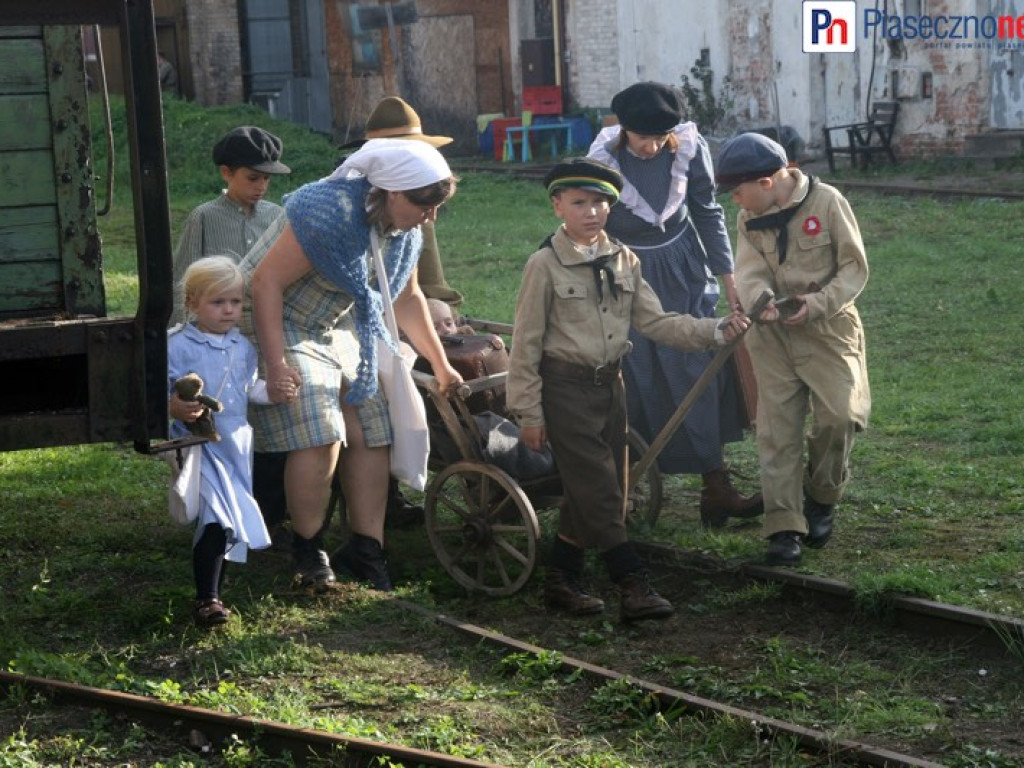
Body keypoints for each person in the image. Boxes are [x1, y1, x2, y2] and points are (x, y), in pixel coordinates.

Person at [506, 158, 750, 621]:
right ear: (558, 206)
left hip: (611, 388)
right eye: (579, 202)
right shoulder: (544, 265)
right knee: (601, 492)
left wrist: (715, 331)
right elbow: (525, 342)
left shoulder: (624, 259)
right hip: (564, 389)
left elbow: (657, 322)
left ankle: (561, 578)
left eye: (601, 202)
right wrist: (528, 412)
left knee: (604, 487)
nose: (592, 211)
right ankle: (632, 583)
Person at [238, 138, 463, 592]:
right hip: (274, 321)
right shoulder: (329, 213)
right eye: (425, 205)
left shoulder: (404, 231)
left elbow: (406, 298)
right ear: (394, 192)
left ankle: (366, 549)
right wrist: (277, 364)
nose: (430, 217)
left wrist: (442, 366)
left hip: (336, 326)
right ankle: (309, 551)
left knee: (373, 429)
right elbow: (264, 284)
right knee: (321, 429)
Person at [588, 81, 762, 529]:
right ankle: (625, 486)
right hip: (627, 272)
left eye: (658, 138)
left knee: (697, 369)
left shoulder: (687, 148)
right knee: (634, 374)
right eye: (642, 138)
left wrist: (729, 278)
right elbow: (589, 226)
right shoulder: (603, 158)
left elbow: (706, 210)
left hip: (684, 267)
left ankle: (716, 485)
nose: (650, 147)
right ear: (624, 129)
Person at [715, 132, 871, 566]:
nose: (736, 202)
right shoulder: (750, 217)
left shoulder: (828, 204)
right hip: (772, 335)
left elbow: (854, 269)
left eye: (739, 191)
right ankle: (784, 527)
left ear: (768, 181)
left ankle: (821, 497)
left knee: (840, 416)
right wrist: (758, 302)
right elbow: (748, 272)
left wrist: (817, 304)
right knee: (776, 430)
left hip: (828, 331)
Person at [167, 256, 273, 628]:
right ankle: (207, 599)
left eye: (235, 301)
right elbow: (162, 397)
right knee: (216, 517)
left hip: (235, 446)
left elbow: (248, 390)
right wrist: (176, 408)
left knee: (229, 521)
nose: (229, 310)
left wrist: (275, 390)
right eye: (217, 302)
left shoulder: (242, 347)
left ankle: (213, 594)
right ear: (193, 302)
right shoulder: (177, 345)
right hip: (197, 448)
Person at [172, 126, 292, 320]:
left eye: (266, 178)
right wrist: (184, 335)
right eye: (252, 178)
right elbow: (183, 281)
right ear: (226, 173)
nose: (261, 186)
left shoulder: (277, 216)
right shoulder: (204, 217)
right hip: (216, 329)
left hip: (268, 323)